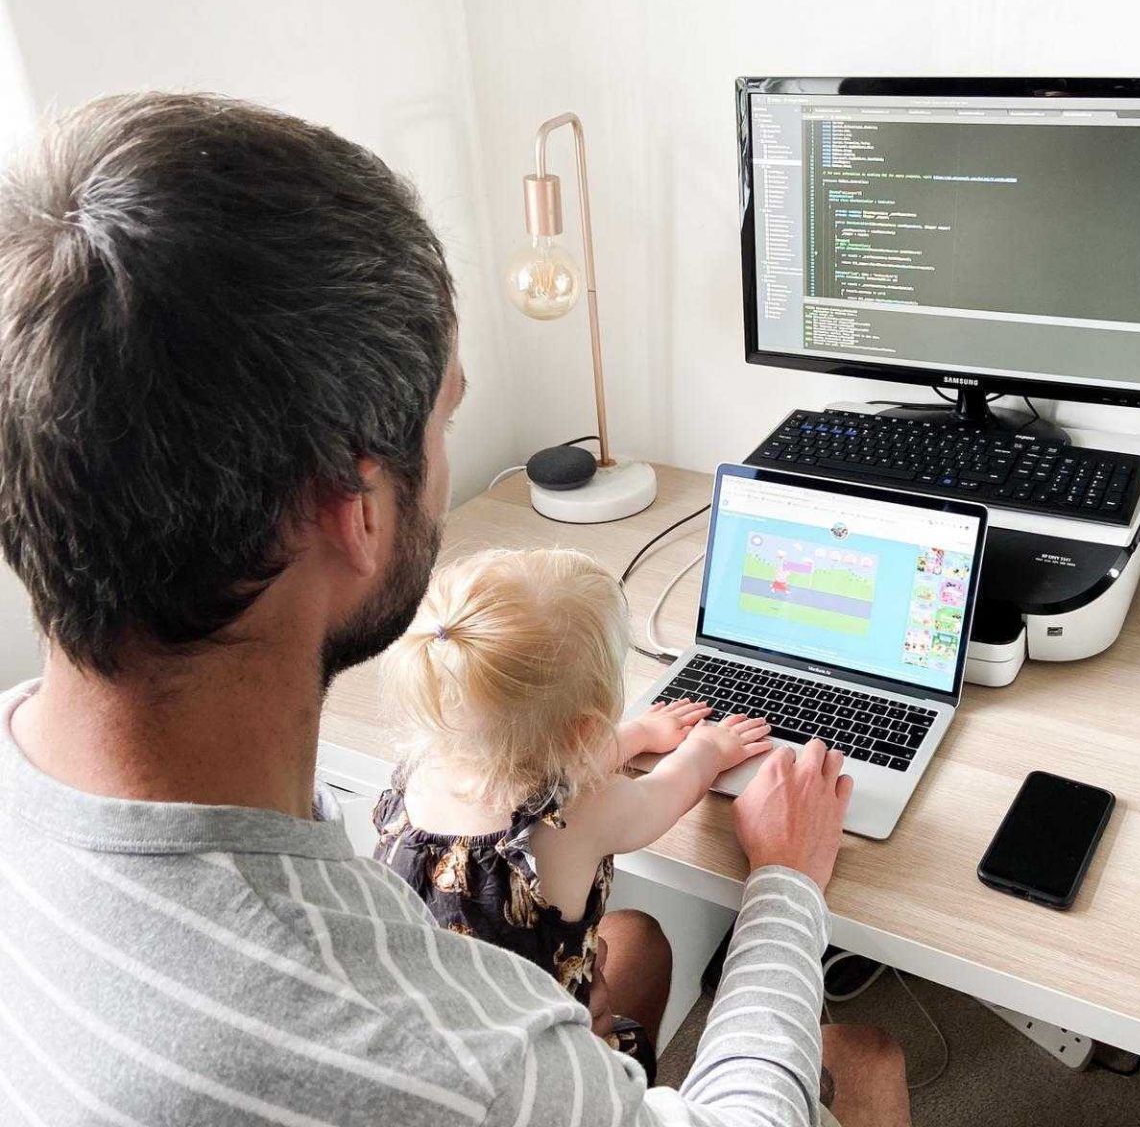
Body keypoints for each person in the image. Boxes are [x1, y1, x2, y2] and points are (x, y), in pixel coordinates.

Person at [0, 92, 911, 1126]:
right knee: (864, 1057)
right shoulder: (449, 1061)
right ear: (356, 512)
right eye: (446, 418)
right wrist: (787, 884)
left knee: (642, 951)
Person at [370, 546, 776, 1083]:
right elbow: (665, 794)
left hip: (447, 1038)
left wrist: (634, 735)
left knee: (633, 938)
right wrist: (709, 750)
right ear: (585, 732)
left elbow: (529, 766)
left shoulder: (419, 772)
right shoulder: (581, 814)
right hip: (553, 1072)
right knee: (641, 948)